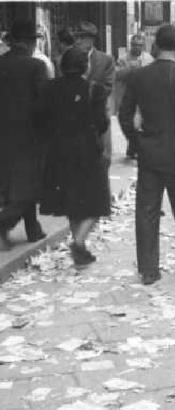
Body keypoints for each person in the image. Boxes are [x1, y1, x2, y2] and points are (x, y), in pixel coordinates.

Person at [119, 24, 175, 286]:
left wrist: (136, 141)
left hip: (149, 152)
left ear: (155, 46)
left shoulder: (139, 76)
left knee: (146, 212)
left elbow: (125, 116)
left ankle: (149, 270)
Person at [38, 47, 110, 266]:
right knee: (97, 202)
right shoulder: (94, 90)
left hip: (58, 150)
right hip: (86, 150)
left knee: (71, 199)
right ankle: (78, 242)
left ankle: (79, 244)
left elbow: (40, 118)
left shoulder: (49, 88)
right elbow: (102, 123)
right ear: (85, 67)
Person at [0, 19, 48, 250]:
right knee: (29, 187)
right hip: (29, 135)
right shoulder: (36, 67)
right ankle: (2, 224)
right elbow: (44, 105)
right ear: (29, 43)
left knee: (17, 184)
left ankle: (33, 228)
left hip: (3, 136)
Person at [73, 21, 115, 166]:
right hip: (76, 116)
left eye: (82, 37)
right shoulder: (67, 57)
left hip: (98, 114)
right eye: (76, 37)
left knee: (102, 158)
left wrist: (87, 91)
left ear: (91, 40)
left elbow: (108, 86)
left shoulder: (105, 60)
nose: (77, 41)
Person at [115, 34, 153, 158]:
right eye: (135, 45)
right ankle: (133, 143)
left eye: (140, 45)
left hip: (145, 96)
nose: (137, 48)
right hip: (128, 95)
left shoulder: (149, 59)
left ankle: (135, 147)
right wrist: (130, 69)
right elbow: (117, 75)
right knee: (126, 121)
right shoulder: (123, 59)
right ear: (131, 45)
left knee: (141, 124)